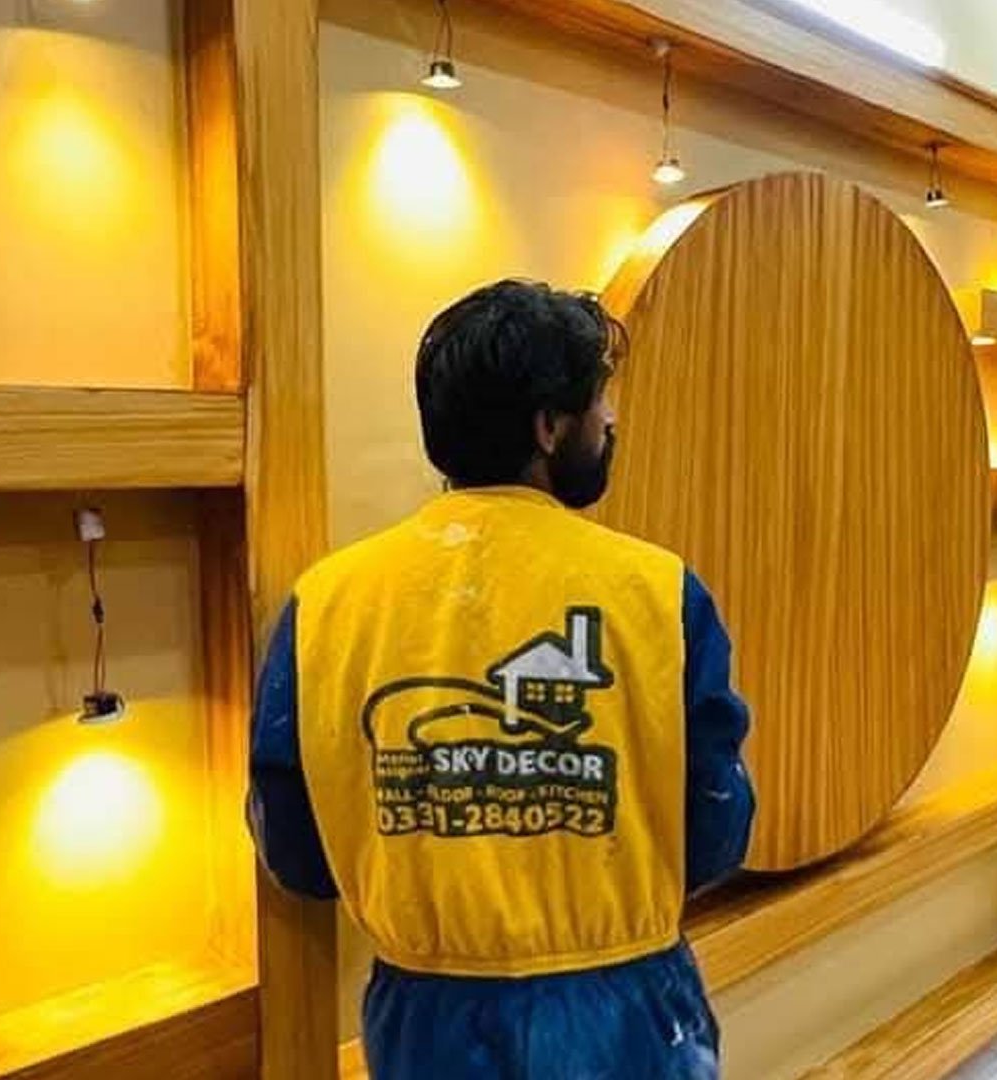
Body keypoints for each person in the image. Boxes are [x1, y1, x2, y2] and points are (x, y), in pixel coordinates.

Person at [248, 279, 755, 1079]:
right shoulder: (661, 594)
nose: (611, 420)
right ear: (549, 427)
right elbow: (717, 828)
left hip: (424, 1023)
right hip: (624, 1016)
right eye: (599, 401)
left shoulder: (327, 602)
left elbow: (295, 849)